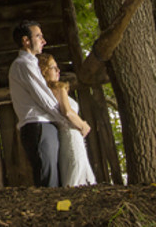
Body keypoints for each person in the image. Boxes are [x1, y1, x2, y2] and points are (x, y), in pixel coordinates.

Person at [8, 20, 85, 187]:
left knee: (55, 179)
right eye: (38, 36)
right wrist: (71, 121)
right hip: (38, 125)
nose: (44, 41)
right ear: (26, 41)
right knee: (48, 181)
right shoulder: (24, 65)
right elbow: (45, 100)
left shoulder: (32, 64)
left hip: (44, 125)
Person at [40, 55, 97, 187]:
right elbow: (67, 112)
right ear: (44, 71)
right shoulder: (59, 88)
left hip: (63, 138)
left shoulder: (44, 92)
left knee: (72, 174)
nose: (58, 71)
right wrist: (83, 125)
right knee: (77, 175)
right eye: (54, 68)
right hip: (72, 135)